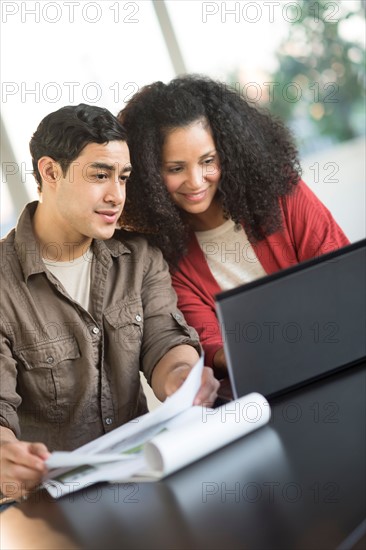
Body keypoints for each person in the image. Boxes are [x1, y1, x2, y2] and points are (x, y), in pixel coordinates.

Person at [0, 103, 219, 503]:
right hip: (50, 505)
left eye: (123, 177)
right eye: (100, 175)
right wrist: (4, 455)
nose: (116, 195)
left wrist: (182, 377)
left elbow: (164, 340)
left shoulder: (140, 258)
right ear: (50, 172)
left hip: (142, 481)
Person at [117, 74, 350, 381]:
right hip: (263, 390)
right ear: (149, 175)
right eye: (175, 168)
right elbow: (210, 346)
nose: (196, 181)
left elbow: (342, 277)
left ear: (228, 152)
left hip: (341, 357)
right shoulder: (166, 255)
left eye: (208, 161)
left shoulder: (282, 194)